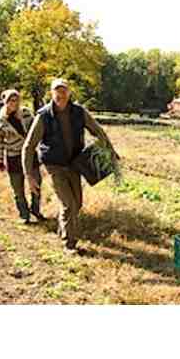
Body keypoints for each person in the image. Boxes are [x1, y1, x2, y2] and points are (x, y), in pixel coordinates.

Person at [22, 78, 117, 254]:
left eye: (64, 90)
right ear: (52, 93)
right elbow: (28, 146)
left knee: (77, 204)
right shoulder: (43, 116)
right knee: (68, 204)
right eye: (57, 91)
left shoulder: (79, 112)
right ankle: (69, 244)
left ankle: (63, 230)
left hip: (74, 163)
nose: (61, 94)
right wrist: (29, 175)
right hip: (54, 165)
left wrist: (110, 152)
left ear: (69, 92)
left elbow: (98, 131)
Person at [0, 89, 44, 224]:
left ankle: (36, 210)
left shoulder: (26, 113)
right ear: (5, 102)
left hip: (30, 154)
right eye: (11, 100)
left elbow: (37, 128)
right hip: (13, 156)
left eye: (16, 100)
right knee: (18, 188)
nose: (14, 103)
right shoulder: (1, 121)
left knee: (37, 183)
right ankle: (24, 215)